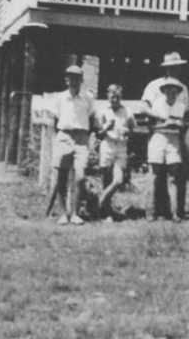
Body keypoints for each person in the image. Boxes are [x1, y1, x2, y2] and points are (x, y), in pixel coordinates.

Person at [50, 65, 97, 225]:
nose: (74, 81)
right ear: (66, 79)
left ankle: (76, 213)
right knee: (60, 178)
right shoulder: (59, 98)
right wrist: (60, 138)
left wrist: (86, 139)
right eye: (71, 77)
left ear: (82, 80)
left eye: (77, 78)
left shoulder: (87, 98)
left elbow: (91, 119)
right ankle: (64, 214)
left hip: (81, 139)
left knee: (80, 177)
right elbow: (55, 121)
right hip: (64, 136)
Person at [147, 77, 188, 221]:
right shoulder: (157, 104)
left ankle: (175, 212)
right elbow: (152, 127)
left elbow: (182, 126)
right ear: (164, 92)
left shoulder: (181, 106)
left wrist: (176, 124)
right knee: (156, 177)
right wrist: (167, 124)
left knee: (173, 177)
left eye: (174, 91)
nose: (171, 94)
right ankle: (151, 211)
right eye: (168, 91)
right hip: (158, 139)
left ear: (177, 93)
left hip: (173, 142)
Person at [97, 84, 135, 221]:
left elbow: (132, 129)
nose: (114, 100)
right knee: (106, 180)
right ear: (108, 96)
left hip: (121, 147)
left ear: (121, 97)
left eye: (117, 97)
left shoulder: (127, 111)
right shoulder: (103, 111)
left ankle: (100, 200)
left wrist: (127, 132)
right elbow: (99, 134)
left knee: (118, 180)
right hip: (107, 145)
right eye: (112, 96)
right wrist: (106, 128)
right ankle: (107, 213)